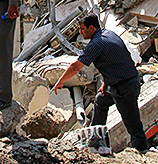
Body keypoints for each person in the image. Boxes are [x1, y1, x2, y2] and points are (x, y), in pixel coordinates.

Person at [54, 12, 150, 152]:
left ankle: (143, 153)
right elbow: (116, 60)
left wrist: (60, 81)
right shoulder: (108, 34)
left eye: (82, 29)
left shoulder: (96, 43)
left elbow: (75, 66)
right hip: (122, 82)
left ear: (91, 28)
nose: (80, 33)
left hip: (124, 88)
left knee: (133, 125)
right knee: (101, 100)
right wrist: (106, 82)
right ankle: (95, 139)